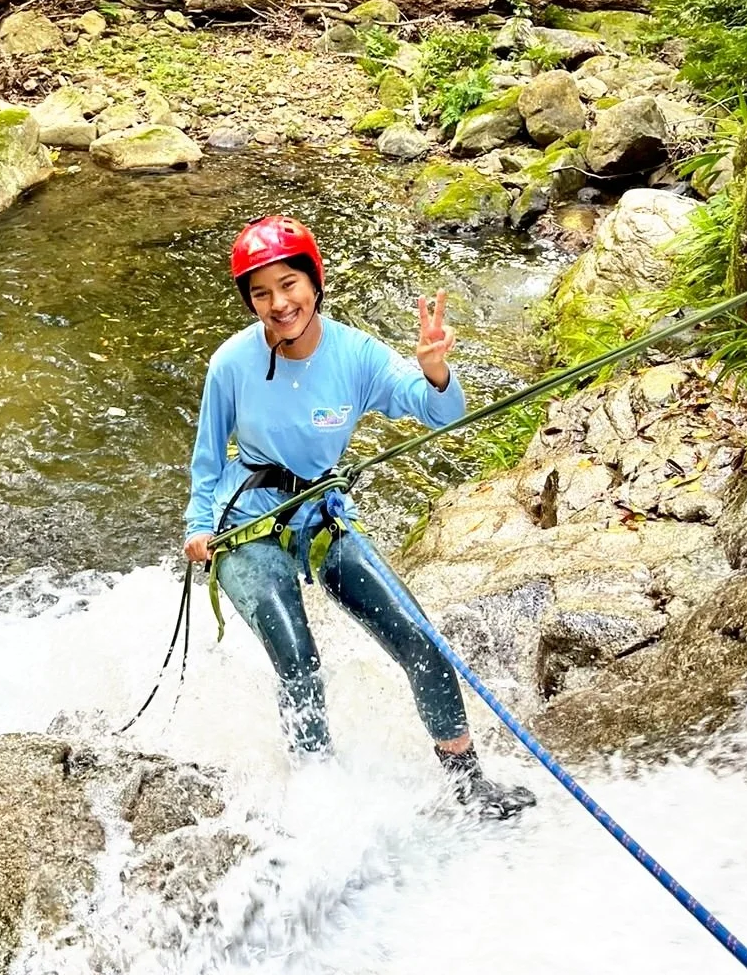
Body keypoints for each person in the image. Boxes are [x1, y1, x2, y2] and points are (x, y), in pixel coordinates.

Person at [183, 214, 535, 820]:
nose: (278, 304)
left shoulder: (356, 355)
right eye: (261, 293)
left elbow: (440, 413)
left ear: (313, 282)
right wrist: (198, 527)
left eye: (288, 284)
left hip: (322, 515)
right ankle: (319, 798)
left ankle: (468, 781)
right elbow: (208, 458)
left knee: (422, 640)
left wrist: (435, 370)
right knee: (297, 655)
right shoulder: (231, 363)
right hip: (246, 522)